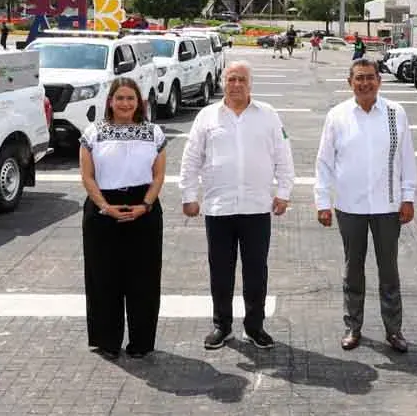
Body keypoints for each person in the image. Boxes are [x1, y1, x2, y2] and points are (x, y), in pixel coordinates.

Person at [180, 61, 295, 350]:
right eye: (231, 79)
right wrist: (188, 196)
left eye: (242, 79)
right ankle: (222, 326)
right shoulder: (207, 117)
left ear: (250, 83)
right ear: (223, 83)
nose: (236, 84)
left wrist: (283, 191)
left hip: (256, 208)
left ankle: (255, 327)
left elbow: (284, 156)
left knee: (256, 271)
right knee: (220, 270)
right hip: (219, 208)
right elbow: (191, 158)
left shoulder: (268, 115)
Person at [315, 58, 417, 352]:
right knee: (353, 269)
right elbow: (324, 162)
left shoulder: (395, 113)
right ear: (350, 83)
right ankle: (353, 326)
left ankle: (394, 330)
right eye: (359, 78)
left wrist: (408, 197)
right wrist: (322, 201)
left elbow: (406, 159)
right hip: (350, 207)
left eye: (370, 77)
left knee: (389, 271)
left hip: (388, 206)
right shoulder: (337, 116)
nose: (365, 83)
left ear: (379, 81)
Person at [79, 78, 168, 360]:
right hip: (103, 209)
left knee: (144, 278)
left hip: (144, 209)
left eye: (131, 98)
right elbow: (87, 176)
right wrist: (105, 206)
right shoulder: (93, 132)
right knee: (103, 277)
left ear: (139, 102)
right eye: (120, 98)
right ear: (110, 101)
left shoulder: (153, 133)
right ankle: (107, 340)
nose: (125, 103)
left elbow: (158, 176)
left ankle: (141, 342)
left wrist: (146, 204)